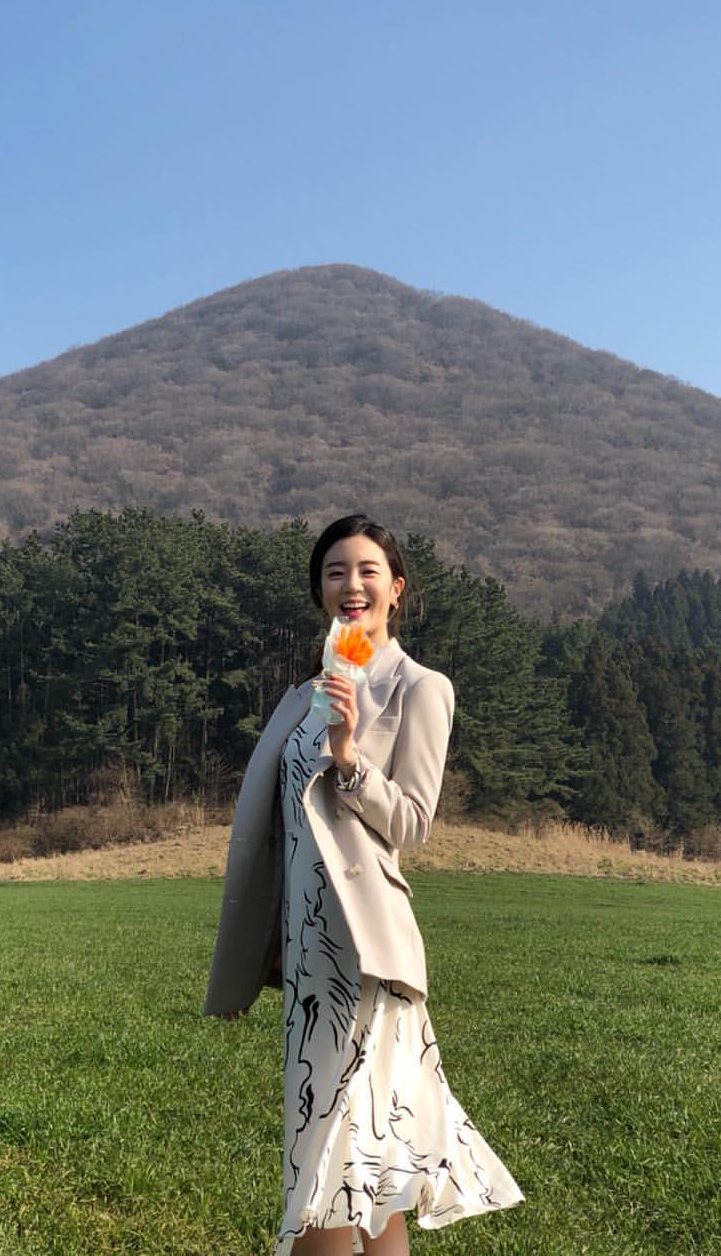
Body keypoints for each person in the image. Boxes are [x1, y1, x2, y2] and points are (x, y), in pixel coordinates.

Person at [205, 514, 524, 1254]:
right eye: (335, 572)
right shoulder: (303, 696)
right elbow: (278, 837)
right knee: (365, 1170)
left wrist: (350, 759)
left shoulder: (420, 688)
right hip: (309, 962)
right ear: (320, 591)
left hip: (366, 956)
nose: (351, 585)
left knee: (332, 1165)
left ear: (396, 588)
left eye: (367, 570)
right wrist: (253, 958)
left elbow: (411, 822)